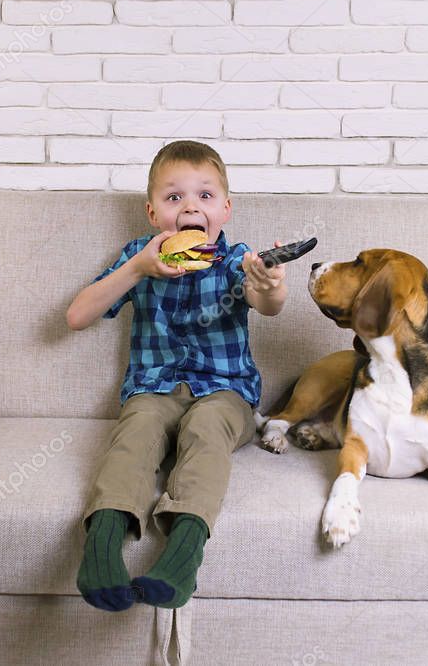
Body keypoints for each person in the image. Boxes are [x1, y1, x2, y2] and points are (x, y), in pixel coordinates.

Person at [65, 140, 288, 611]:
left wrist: (270, 285)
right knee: (137, 430)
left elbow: (267, 305)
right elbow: (77, 316)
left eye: (205, 196)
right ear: (152, 213)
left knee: (206, 430)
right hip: (154, 389)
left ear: (225, 209)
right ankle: (102, 550)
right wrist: (138, 268)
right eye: (174, 198)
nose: (190, 206)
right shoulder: (138, 258)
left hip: (226, 394)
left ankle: (180, 560)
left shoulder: (234, 260)